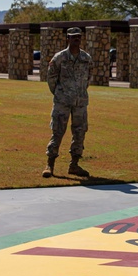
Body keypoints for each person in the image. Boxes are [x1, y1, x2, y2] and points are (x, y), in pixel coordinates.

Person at [42, 28, 92, 179]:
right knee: (57, 131)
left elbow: (88, 78)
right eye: (73, 37)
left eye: (78, 37)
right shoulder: (60, 58)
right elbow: (51, 79)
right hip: (62, 101)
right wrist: (59, 93)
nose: (76, 39)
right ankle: (49, 164)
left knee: (80, 132)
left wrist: (80, 92)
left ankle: (74, 165)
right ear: (68, 39)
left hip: (80, 102)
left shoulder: (86, 58)